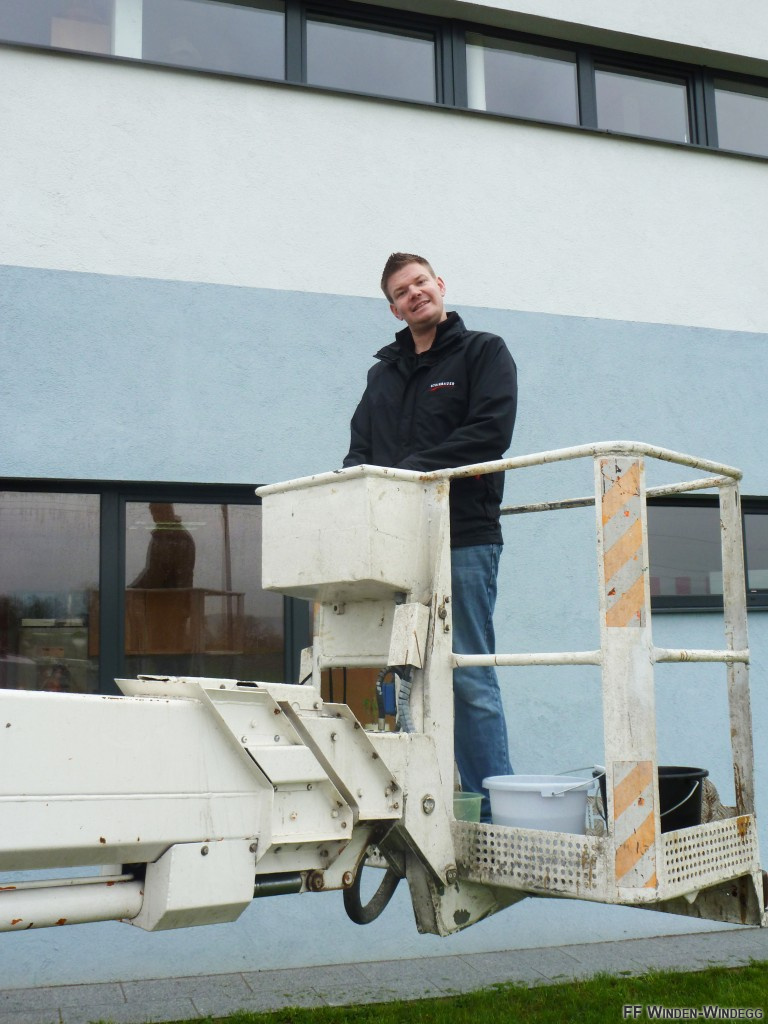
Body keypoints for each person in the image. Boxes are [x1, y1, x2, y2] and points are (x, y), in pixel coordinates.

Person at [343, 252, 518, 821]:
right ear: (393, 308)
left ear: (439, 285)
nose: (414, 293)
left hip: (462, 536)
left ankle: (491, 811)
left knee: (468, 675)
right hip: (396, 545)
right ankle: (425, 807)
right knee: (404, 676)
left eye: (421, 282)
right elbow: (359, 451)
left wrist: (410, 471)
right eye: (401, 291)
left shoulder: (483, 352)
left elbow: (490, 434)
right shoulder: (382, 375)